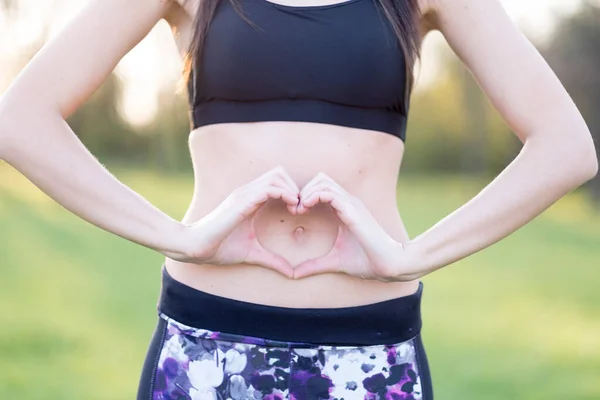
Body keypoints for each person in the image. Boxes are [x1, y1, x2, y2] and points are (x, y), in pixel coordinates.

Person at [0, 0, 597, 398]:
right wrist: (177, 237)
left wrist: (408, 257)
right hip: (208, 342)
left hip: (369, 350)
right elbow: (21, 120)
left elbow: (565, 146)